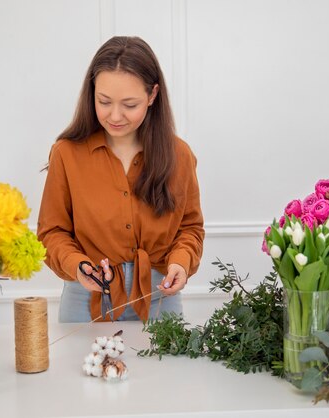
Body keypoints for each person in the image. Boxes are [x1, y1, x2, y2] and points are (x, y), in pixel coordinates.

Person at [37, 36, 204, 323]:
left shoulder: (180, 155)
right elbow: (52, 232)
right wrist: (77, 266)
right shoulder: (66, 154)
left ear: (152, 96)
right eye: (104, 101)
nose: (115, 116)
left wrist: (181, 262)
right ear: (92, 93)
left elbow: (190, 228)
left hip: (160, 297)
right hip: (86, 299)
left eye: (129, 104)